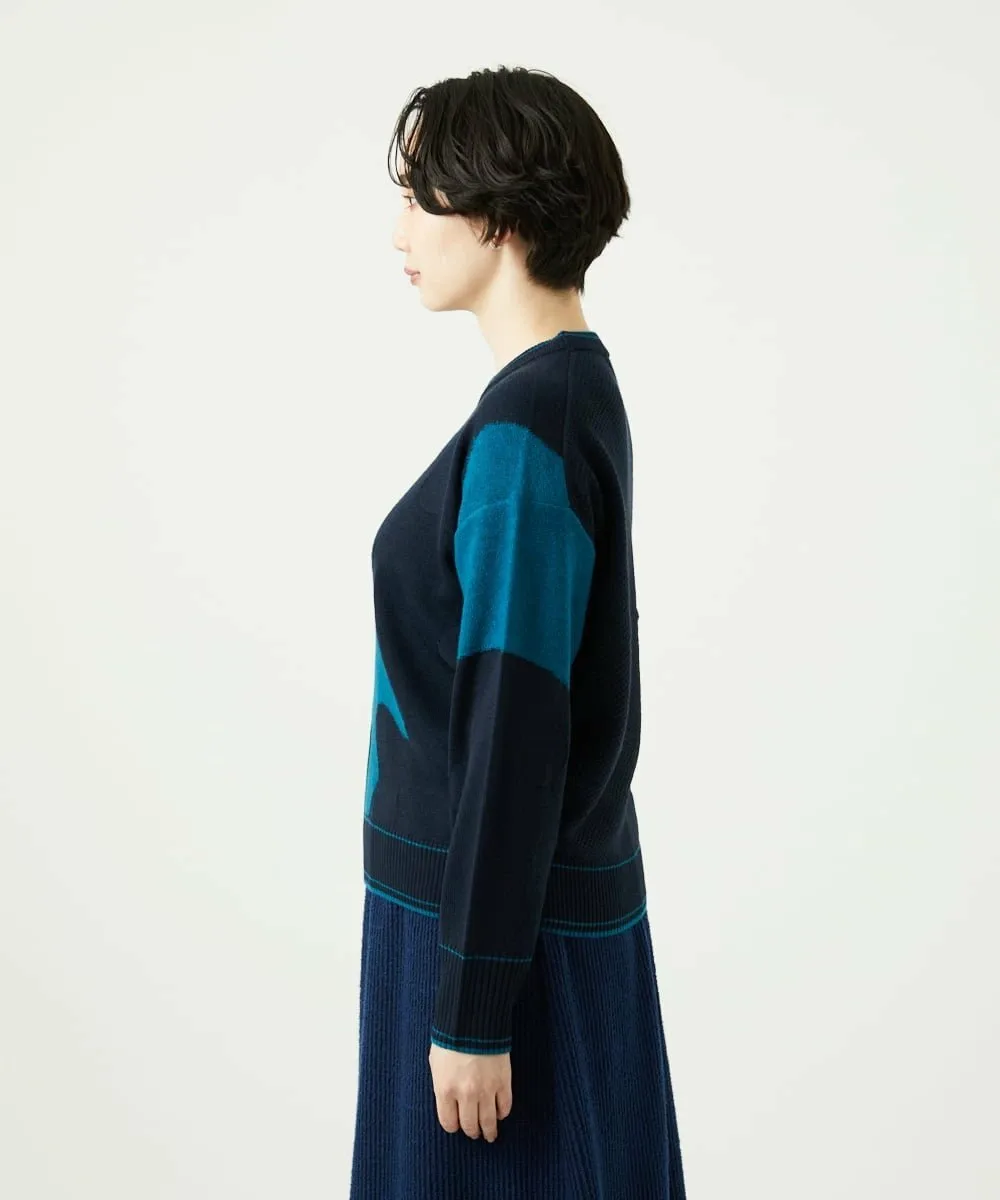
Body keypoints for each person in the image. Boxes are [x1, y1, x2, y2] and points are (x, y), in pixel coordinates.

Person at [349, 64, 687, 1199]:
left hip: (494, 937)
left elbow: (516, 728)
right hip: (508, 916)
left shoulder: (526, 433)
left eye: (418, 196)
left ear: (494, 217)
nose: (399, 229)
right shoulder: (570, 393)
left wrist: (473, 1005)